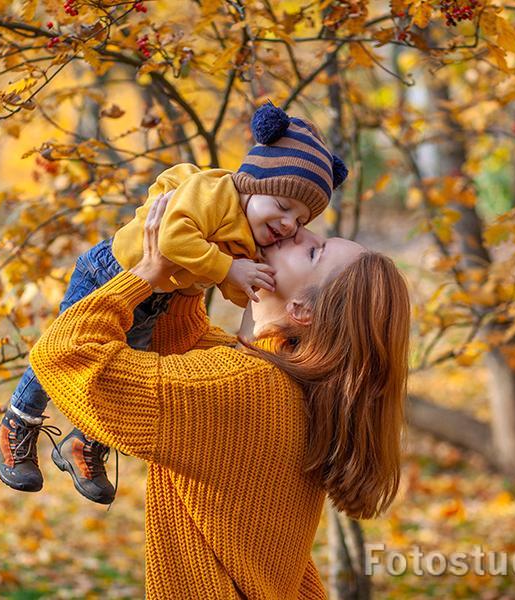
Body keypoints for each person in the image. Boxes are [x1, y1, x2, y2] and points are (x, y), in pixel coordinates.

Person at [28, 195, 411, 598]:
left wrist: (145, 274)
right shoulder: (292, 385)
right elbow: (184, 343)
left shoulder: (245, 390)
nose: (299, 232)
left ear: (302, 309)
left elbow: (66, 355)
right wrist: (195, 259)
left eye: (314, 252)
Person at [0, 102, 350, 502]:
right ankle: (16, 424)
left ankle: (84, 443)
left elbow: (228, 285)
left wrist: (250, 286)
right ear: (253, 183)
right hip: (111, 273)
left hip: (153, 298)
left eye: (300, 222)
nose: (287, 225)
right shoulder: (214, 194)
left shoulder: (251, 236)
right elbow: (172, 240)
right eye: (283, 208)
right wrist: (229, 270)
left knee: (128, 361)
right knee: (53, 357)